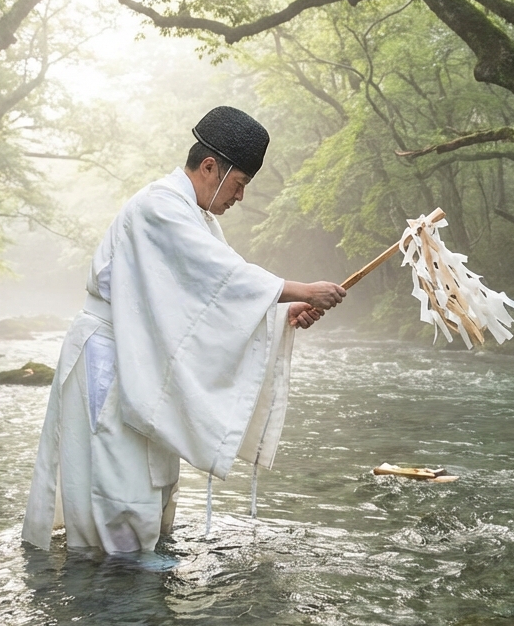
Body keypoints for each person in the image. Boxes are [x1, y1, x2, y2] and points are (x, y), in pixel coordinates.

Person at [21, 106, 346, 553]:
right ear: (211, 167)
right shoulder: (159, 206)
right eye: (240, 184)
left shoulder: (197, 218)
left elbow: (209, 298)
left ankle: (139, 563)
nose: (240, 198)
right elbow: (220, 279)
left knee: (150, 471)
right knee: (117, 473)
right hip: (110, 356)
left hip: (142, 354)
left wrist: (280, 312)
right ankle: (116, 577)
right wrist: (298, 290)